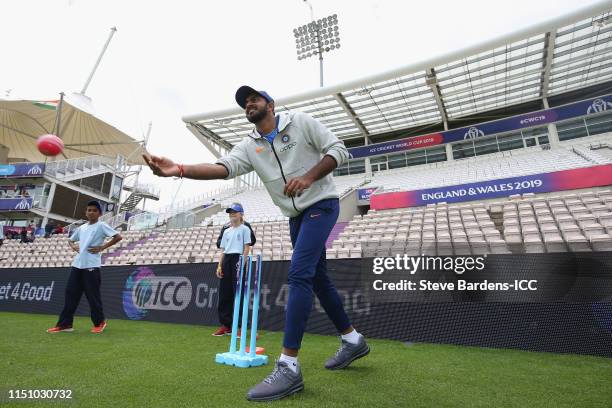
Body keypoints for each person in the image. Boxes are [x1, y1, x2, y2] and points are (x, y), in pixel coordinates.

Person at [144, 85, 369, 402]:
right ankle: (353, 340)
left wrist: (308, 177)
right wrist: (178, 169)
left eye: (254, 98)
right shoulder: (250, 146)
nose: (248, 103)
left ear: (271, 105)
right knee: (317, 278)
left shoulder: (301, 122)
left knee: (300, 275)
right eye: (244, 102)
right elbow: (222, 168)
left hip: (322, 204)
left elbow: (340, 150)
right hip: (296, 216)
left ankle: (289, 366)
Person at [46, 201, 122, 334]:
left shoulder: (102, 225)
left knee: (93, 296)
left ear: (99, 213)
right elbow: (70, 240)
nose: (91, 212)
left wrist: (102, 248)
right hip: (77, 265)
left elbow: (118, 237)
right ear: (86, 212)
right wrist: (73, 246)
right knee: (71, 295)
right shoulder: (82, 228)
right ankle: (65, 324)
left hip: (92, 265)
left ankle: (100, 322)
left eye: (94, 210)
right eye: (89, 210)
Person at [213, 203, 254, 336]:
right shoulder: (226, 231)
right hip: (226, 260)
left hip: (238, 259)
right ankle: (226, 325)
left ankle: (240, 327)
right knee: (225, 294)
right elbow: (223, 250)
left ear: (241, 214)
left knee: (239, 294)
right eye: (230, 212)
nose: (232, 215)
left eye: (234, 212)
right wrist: (219, 265)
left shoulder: (245, 229)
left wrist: (243, 262)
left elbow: (247, 247)